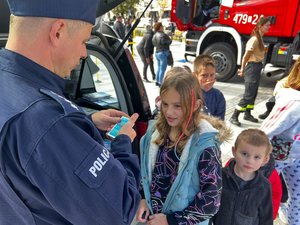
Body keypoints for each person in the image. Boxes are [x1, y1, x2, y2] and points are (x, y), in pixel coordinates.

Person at [0, 1, 141, 224]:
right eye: (84, 41)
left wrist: (86, 124)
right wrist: (123, 140)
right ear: (57, 32)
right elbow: (122, 210)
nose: (85, 53)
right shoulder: (48, 123)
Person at [136, 70, 231, 225]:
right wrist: (143, 198)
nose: (169, 112)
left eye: (178, 106)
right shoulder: (153, 134)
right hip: (153, 218)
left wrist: (171, 221)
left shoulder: (205, 146)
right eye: (165, 104)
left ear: (196, 105)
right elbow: (145, 173)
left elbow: (211, 201)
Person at [260, 57, 300, 225]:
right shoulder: (294, 103)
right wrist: (249, 156)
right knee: (260, 191)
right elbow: (265, 131)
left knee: (298, 196)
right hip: (275, 157)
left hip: (297, 158)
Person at [212, 129, 273, 225]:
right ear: (234, 151)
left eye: (256, 157)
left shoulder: (264, 186)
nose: (249, 161)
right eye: (244, 154)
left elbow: (266, 216)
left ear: (265, 160)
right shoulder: (220, 176)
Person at [230, 16, 271, 127]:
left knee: (253, 93)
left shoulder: (260, 38)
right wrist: (242, 69)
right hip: (252, 68)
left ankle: (247, 114)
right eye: (267, 25)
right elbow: (245, 56)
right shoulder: (254, 40)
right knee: (248, 94)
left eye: (269, 25)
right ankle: (234, 116)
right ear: (260, 26)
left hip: (257, 67)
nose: (269, 27)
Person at [193, 55, 226, 120]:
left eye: (212, 75)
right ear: (195, 75)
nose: (209, 79)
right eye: (204, 75)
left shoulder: (218, 96)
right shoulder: (189, 93)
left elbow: (220, 122)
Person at [152, 22, 172, 87]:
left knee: (159, 68)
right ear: (160, 27)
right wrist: (170, 39)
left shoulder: (154, 35)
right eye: (162, 26)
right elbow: (167, 42)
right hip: (163, 52)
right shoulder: (163, 35)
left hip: (157, 52)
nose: (163, 27)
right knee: (162, 69)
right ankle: (161, 82)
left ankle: (157, 81)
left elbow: (153, 43)